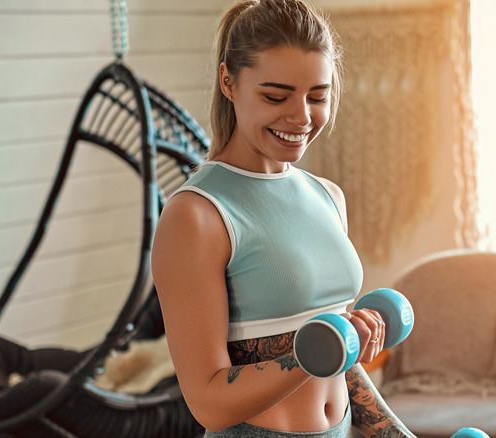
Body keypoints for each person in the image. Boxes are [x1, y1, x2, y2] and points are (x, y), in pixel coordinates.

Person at [151, 1, 415, 436]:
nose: (302, 117)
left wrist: (394, 431)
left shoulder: (327, 196)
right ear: (228, 82)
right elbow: (209, 404)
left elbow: (339, 362)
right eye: (276, 96)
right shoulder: (196, 216)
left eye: (318, 96)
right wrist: (312, 353)